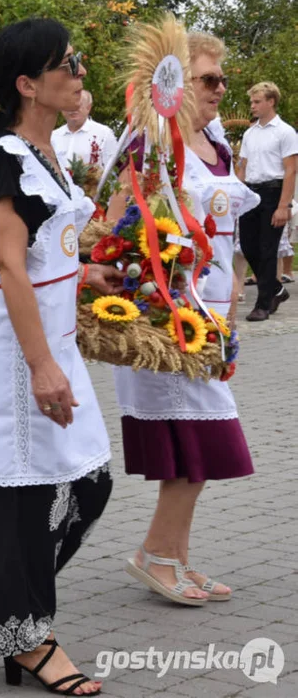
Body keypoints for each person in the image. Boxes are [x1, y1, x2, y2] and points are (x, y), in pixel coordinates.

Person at [0, 19, 122, 697]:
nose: (77, 71)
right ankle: (25, 635)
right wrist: (42, 364)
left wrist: (84, 278)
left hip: (50, 345)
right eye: (65, 63)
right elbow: (6, 269)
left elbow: (42, 256)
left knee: (86, 482)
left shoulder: (42, 154)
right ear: (27, 84)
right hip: (17, 356)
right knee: (20, 493)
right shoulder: (5, 159)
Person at [114, 33, 256, 608]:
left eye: (223, 79)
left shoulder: (216, 143)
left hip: (212, 311)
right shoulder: (154, 144)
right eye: (208, 80)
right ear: (174, 84)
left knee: (195, 446)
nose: (220, 89)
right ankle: (155, 553)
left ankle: (176, 554)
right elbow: (127, 222)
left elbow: (229, 237)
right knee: (197, 442)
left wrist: (235, 292)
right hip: (171, 310)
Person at [237, 81, 297, 321]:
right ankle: (276, 289)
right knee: (248, 247)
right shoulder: (249, 133)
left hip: (274, 193)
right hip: (250, 194)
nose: (252, 105)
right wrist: (237, 193)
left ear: (270, 102)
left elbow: (290, 170)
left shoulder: (285, 132)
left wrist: (284, 205)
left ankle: (262, 305)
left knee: (267, 249)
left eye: (257, 101)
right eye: (252, 101)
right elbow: (242, 166)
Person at [50, 89, 118, 171]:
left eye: (78, 105)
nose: (73, 109)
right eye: (69, 105)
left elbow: (112, 171)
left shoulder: (104, 134)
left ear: (88, 107)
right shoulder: (53, 137)